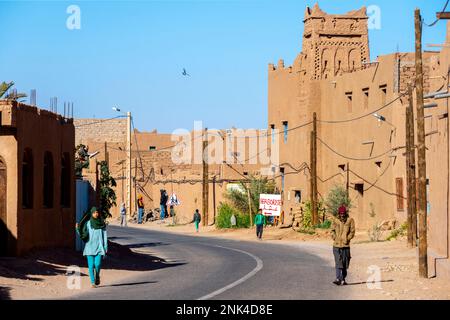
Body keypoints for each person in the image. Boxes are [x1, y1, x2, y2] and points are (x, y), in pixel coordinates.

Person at [76, 207, 108, 288]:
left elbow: (104, 235)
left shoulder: (101, 223)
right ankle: (93, 282)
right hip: (89, 247)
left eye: (97, 212)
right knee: (91, 265)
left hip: (99, 247)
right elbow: (83, 233)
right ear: (91, 213)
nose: (96, 214)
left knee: (97, 264)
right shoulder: (88, 223)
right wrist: (77, 229)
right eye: (94, 212)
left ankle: (97, 276)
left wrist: (105, 246)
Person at [330, 205, 355, 286]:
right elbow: (332, 230)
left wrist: (347, 239)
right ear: (338, 213)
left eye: (343, 213)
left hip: (345, 246)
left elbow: (352, 231)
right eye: (340, 213)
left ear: (345, 213)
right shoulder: (335, 221)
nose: (342, 215)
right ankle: (338, 278)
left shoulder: (350, 220)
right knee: (338, 262)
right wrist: (334, 237)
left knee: (345, 264)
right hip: (336, 245)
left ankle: (343, 279)